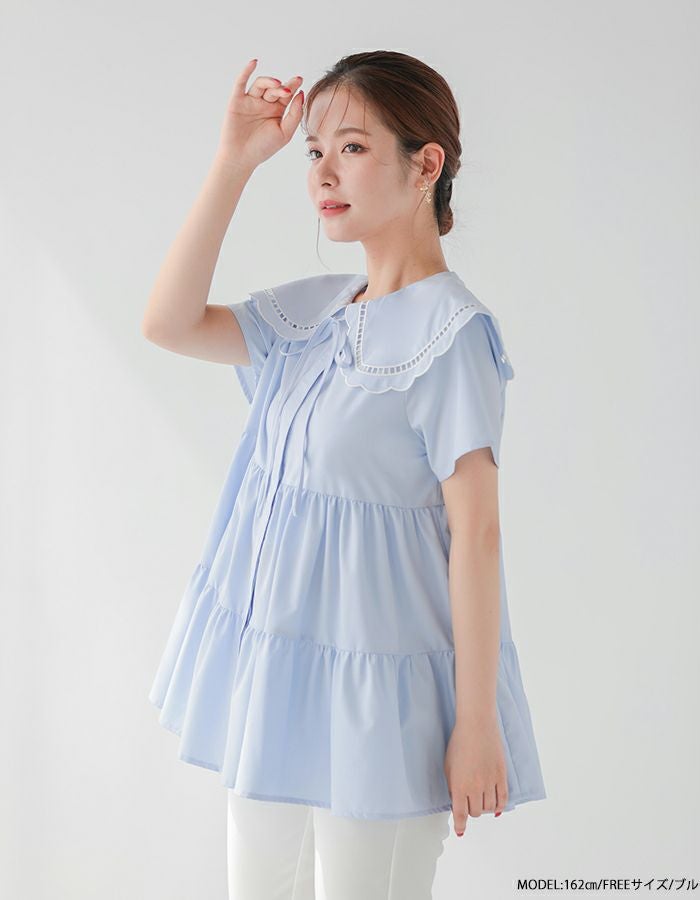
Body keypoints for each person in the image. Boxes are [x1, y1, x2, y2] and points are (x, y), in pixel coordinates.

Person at [143, 50, 546, 899]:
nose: (323, 172)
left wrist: (476, 722)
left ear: (425, 164)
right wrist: (234, 161)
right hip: (277, 686)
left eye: (353, 148)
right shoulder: (315, 315)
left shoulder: (453, 336)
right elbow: (169, 323)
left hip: (380, 707)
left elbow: (476, 534)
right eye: (314, 151)